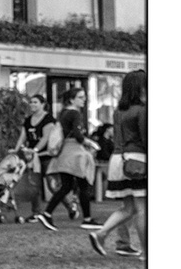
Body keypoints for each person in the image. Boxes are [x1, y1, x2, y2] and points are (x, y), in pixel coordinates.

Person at [90, 70, 147, 259]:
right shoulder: (142, 110)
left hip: (118, 159)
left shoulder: (118, 111)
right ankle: (147, 252)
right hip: (138, 159)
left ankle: (101, 233)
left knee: (129, 208)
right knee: (142, 208)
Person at [38, 88, 96, 230]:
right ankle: (87, 219)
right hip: (75, 153)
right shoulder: (75, 113)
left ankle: (47, 213)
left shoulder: (63, 113)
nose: (84, 100)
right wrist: (88, 142)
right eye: (80, 97)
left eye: (84, 97)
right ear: (72, 99)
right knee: (83, 184)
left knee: (66, 186)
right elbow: (77, 134)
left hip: (64, 152)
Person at [14, 92, 58, 223]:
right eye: (31, 102)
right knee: (34, 184)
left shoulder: (48, 119)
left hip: (46, 155)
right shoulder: (28, 120)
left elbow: (46, 138)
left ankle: (70, 205)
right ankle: (36, 212)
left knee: (53, 185)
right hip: (33, 158)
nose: (32, 104)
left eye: (35, 102)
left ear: (43, 104)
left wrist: (36, 150)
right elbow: (23, 136)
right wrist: (16, 149)